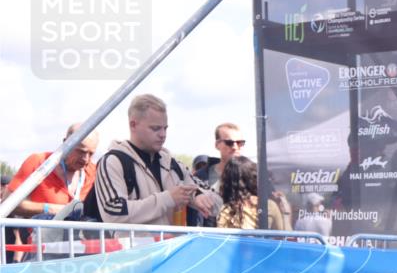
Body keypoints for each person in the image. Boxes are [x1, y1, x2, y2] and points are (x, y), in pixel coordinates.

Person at [90, 94, 214, 226]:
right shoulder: (112, 162)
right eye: (155, 128)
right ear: (133, 125)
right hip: (134, 241)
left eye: (165, 128)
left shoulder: (173, 164)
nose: (163, 134)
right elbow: (113, 213)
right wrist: (167, 199)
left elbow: (208, 194)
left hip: (173, 240)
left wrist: (198, 196)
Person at [7, 123, 99, 218]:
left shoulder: (96, 172)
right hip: (40, 227)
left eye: (91, 154)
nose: (86, 159)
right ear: (66, 143)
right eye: (81, 151)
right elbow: (8, 203)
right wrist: (48, 209)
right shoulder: (39, 163)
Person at [216, 156, 289, 231]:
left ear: (227, 182)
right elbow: (285, 236)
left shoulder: (226, 210)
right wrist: (286, 213)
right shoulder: (269, 206)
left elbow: (220, 236)